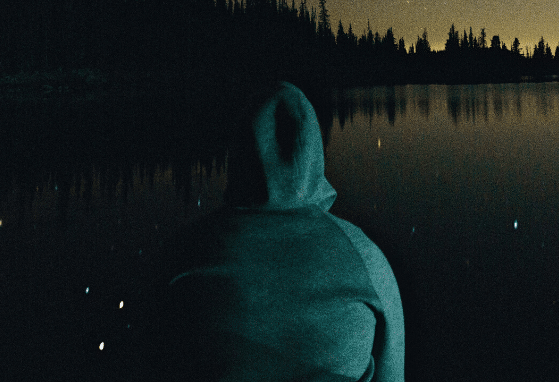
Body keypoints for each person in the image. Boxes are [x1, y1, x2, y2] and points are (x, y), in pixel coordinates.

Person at [138, 81, 405, 381]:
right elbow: (392, 374)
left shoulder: (182, 254)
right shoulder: (365, 258)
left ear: (239, 155)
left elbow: (145, 360)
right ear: (314, 154)